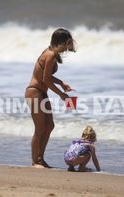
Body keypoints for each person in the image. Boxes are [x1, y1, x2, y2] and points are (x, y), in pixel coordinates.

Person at [25, 28, 75, 168]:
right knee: (40, 128)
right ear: (60, 42)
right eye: (67, 43)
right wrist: (62, 95)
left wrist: (61, 83)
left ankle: (40, 159)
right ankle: (35, 161)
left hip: (41, 93)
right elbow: (45, 80)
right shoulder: (51, 54)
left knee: (49, 126)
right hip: (34, 92)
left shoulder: (49, 52)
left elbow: (45, 76)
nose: (67, 47)